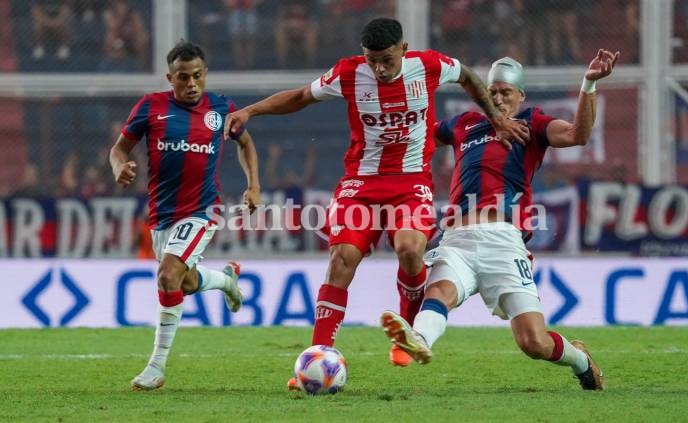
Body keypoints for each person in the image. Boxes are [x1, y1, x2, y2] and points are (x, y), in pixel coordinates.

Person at [224, 17, 529, 384]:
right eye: (372, 60)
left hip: (411, 181)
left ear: (403, 49)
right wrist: (250, 111)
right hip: (361, 183)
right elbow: (302, 96)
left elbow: (467, 76)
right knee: (342, 259)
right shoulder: (349, 73)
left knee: (410, 250)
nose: (380, 69)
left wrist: (495, 117)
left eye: (387, 59)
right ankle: (316, 356)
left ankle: (408, 336)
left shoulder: (429, 65)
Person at [380, 49, 620, 390]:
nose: (497, 97)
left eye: (505, 92)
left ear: (520, 96)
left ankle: (580, 359)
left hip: (503, 242)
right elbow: (415, 137)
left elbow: (577, 135)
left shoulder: (532, 124)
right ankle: (420, 340)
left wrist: (589, 84)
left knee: (532, 342)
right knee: (440, 292)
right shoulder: (464, 123)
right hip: (456, 239)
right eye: (491, 92)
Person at [109, 40, 262, 391]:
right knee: (186, 283)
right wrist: (120, 166)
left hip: (201, 211)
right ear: (170, 78)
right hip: (161, 215)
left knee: (167, 274)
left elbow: (246, 144)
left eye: (197, 76)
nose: (191, 83)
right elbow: (119, 148)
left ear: (205, 74)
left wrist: (254, 185)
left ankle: (156, 366)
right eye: (183, 77)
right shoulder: (151, 106)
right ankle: (225, 280)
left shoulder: (221, 108)